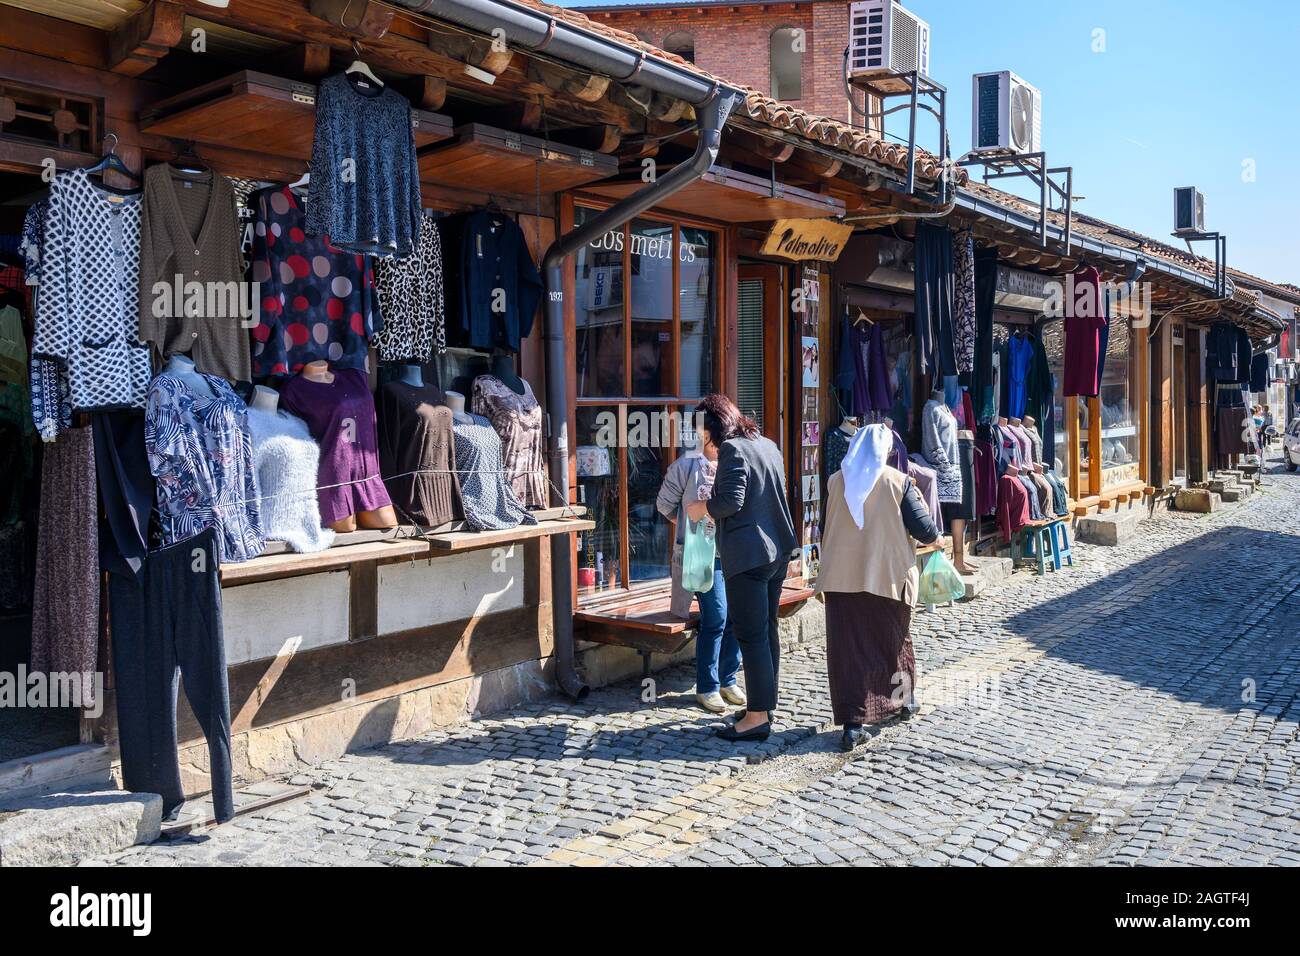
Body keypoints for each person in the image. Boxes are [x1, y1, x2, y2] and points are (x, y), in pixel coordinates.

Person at [815, 424, 941, 753]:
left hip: (842, 581)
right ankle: (904, 701)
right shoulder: (899, 483)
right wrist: (938, 539)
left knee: (849, 652)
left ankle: (853, 724)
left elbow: (825, 528)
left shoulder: (835, 481)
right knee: (894, 643)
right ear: (885, 451)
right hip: (886, 577)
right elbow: (925, 530)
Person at [686, 394, 797, 743]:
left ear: (711, 428)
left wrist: (700, 508)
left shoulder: (733, 449)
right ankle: (764, 705)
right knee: (767, 630)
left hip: (749, 556)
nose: (697, 436)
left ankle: (757, 718)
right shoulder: (766, 443)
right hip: (776, 551)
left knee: (751, 635)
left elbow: (731, 501)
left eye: (698, 429)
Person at [656, 434, 744, 714]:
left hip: (733, 550)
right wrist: (687, 527)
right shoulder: (686, 466)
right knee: (716, 614)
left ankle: (728, 678)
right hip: (701, 555)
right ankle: (707, 686)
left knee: (737, 615)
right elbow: (664, 504)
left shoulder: (733, 463)